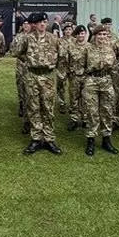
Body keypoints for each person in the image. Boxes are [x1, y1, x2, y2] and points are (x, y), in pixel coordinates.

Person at [11, 12, 65, 155]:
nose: (42, 24)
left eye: (45, 21)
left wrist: (57, 70)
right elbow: (15, 52)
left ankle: (48, 139)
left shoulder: (54, 39)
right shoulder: (27, 39)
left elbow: (62, 56)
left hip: (47, 77)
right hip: (32, 76)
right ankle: (36, 139)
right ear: (35, 24)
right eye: (40, 22)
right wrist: (29, 60)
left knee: (48, 108)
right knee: (33, 107)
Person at [79, 25, 119, 156]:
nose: (102, 37)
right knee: (92, 111)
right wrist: (84, 81)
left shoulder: (110, 50)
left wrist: (115, 84)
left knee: (107, 111)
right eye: (99, 34)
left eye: (104, 34)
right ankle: (90, 139)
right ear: (95, 36)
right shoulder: (87, 49)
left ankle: (106, 140)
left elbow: (114, 68)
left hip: (106, 82)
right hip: (91, 82)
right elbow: (80, 67)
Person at [65, 25, 89, 132]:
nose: (81, 35)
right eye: (79, 33)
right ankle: (74, 119)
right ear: (76, 34)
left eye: (83, 33)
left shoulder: (89, 47)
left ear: (85, 34)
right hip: (74, 76)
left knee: (85, 98)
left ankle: (85, 119)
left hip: (86, 77)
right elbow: (66, 60)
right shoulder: (70, 46)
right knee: (73, 98)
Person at [10, 17, 32, 125]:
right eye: (24, 24)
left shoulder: (33, 37)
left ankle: (29, 107)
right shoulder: (18, 37)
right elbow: (12, 50)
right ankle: (21, 105)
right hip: (20, 65)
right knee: (20, 85)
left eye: (28, 24)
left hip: (30, 66)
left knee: (29, 87)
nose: (26, 26)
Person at [55, 20, 73, 114]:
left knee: (73, 87)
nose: (68, 31)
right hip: (61, 67)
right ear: (64, 31)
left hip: (73, 68)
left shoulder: (75, 41)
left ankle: (73, 105)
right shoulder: (59, 41)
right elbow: (55, 54)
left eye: (70, 29)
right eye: (66, 29)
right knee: (61, 86)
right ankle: (62, 104)